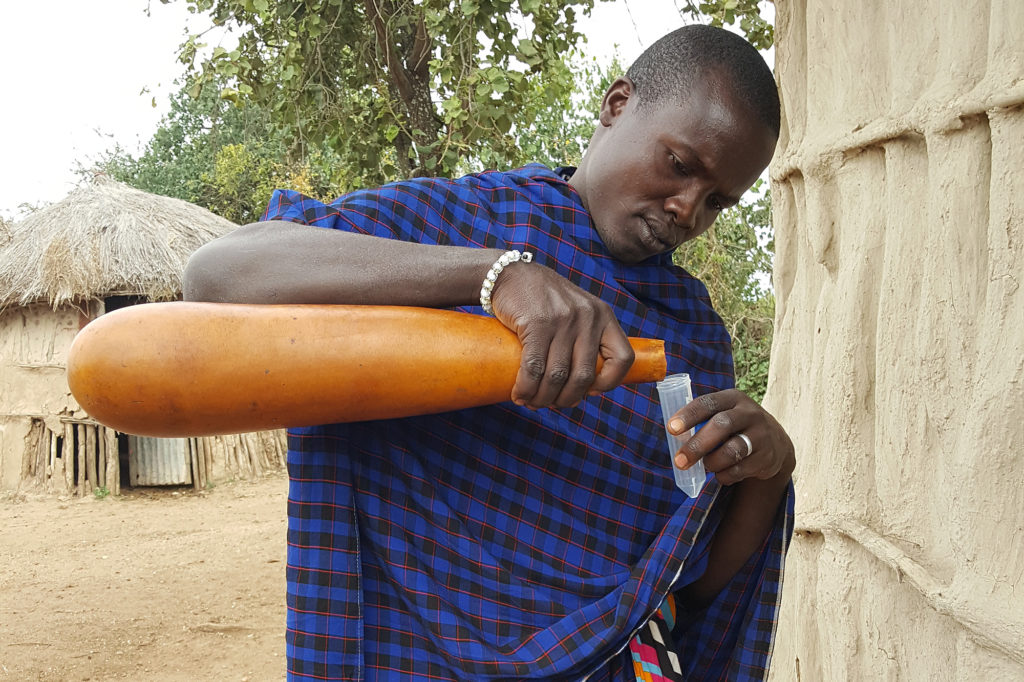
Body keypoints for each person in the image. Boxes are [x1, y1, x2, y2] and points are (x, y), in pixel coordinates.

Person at [184, 24, 795, 682]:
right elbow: (219, 274)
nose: (686, 210)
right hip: (404, 659)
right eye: (680, 165)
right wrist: (495, 276)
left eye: (718, 202)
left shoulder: (691, 339)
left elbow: (685, 585)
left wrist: (767, 476)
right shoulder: (460, 225)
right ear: (617, 105)